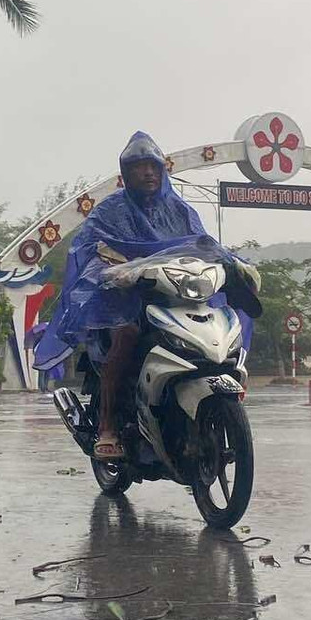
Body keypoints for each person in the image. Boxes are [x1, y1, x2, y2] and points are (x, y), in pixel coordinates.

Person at [34, 132, 219, 460]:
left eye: (153, 166)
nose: (148, 172)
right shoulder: (110, 211)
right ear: (126, 173)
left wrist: (230, 265)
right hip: (121, 302)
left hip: (172, 296)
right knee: (127, 336)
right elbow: (88, 248)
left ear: (162, 172)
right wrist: (111, 270)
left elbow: (204, 246)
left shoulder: (180, 211)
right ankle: (107, 426)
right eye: (139, 167)